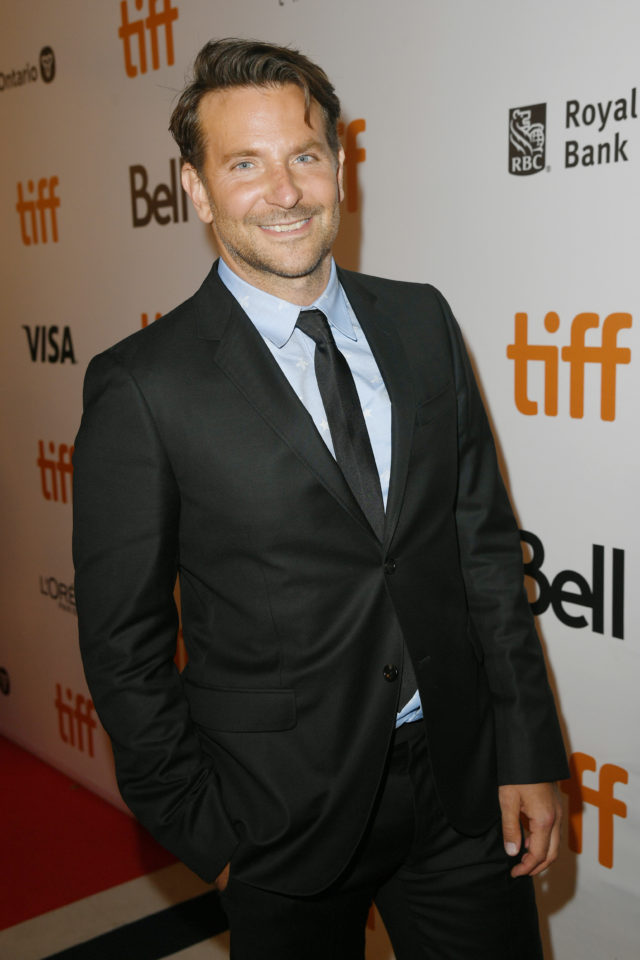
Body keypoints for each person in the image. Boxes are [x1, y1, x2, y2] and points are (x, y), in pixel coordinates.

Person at [73, 38, 568, 959]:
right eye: (244, 165)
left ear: (340, 166)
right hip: (278, 816)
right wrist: (208, 831)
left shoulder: (421, 320)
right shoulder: (144, 385)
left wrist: (526, 750)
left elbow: (485, 556)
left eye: (304, 155)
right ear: (196, 189)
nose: (285, 191)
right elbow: (121, 642)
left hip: (462, 789)